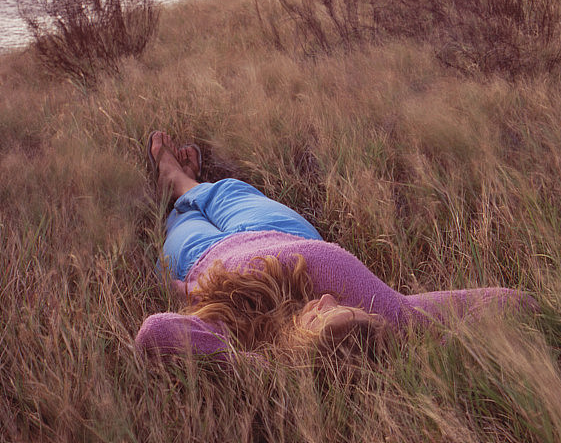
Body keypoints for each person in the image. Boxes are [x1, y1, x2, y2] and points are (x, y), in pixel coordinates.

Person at [135, 131, 537, 364]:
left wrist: (258, 364)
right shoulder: (387, 315)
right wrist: (422, 350)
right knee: (227, 190)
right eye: (349, 306)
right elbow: (516, 302)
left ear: (299, 343)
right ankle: (182, 179)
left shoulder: (245, 340)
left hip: (199, 257)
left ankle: (177, 187)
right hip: (277, 230)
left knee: (177, 221)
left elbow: (155, 332)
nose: (328, 297)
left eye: (322, 313)